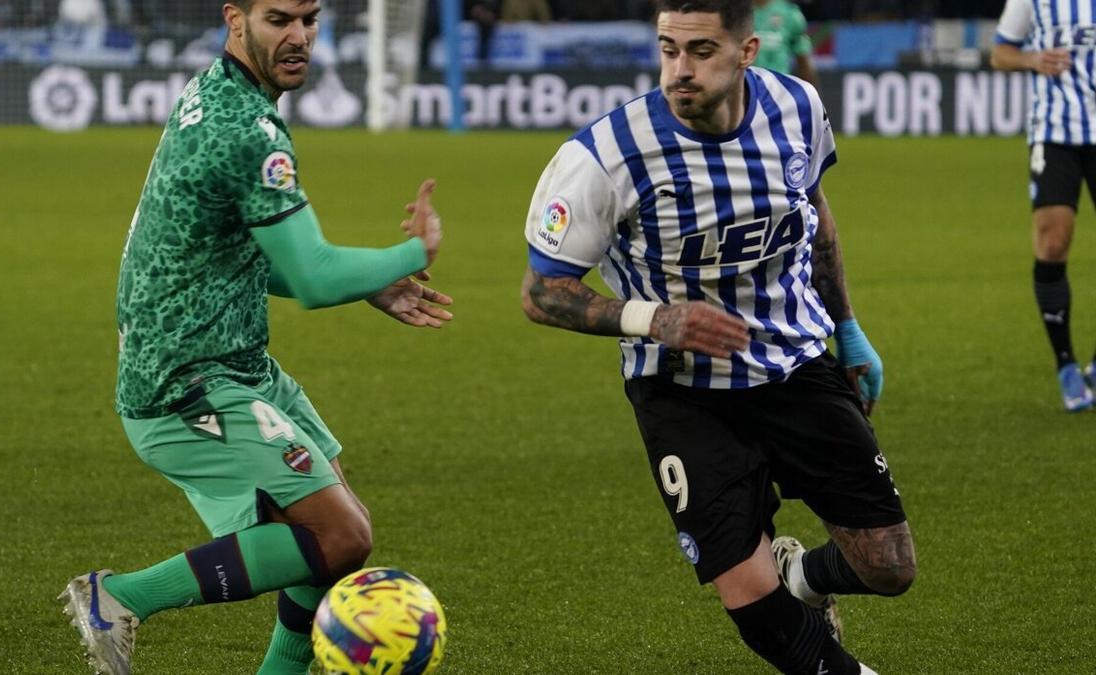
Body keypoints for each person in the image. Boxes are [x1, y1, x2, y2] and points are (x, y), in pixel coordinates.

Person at [57, 2, 453, 674]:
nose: (299, 36)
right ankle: (120, 596)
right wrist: (409, 253)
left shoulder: (218, 93)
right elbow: (314, 273)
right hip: (183, 380)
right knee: (338, 535)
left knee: (333, 527)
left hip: (229, 362)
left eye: (310, 18)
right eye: (279, 18)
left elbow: (225, 254)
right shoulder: (245, 128)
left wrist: (372, 285)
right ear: (234, 18)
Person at [519, 1, 915, 672]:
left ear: (747, 51)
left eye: (701, 51)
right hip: (681, 391)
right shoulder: (605, 155)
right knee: (753, 604)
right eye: (668, 49)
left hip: (793, 363)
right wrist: (652, 318)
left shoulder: (797, 108)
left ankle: (805, 577)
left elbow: (813, 213)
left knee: (889, 565)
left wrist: (847, 328)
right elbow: (540, 291)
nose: (680, 69)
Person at [992, 0, 1096, 412]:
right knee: (1053, 243)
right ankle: (1066, 365)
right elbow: (1000, 53)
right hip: (1054, 132)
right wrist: (1034, 58)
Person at [752, 0, 819, 88]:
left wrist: (812, 97)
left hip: (779, 91)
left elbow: (804, 60)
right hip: (746, 91)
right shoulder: (735, 11)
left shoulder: (790, 13)